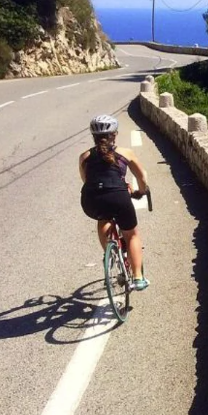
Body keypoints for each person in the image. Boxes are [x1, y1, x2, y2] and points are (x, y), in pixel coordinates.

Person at [79, 115, 150, 291]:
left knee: (103, 218)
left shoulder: (85, 156)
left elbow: (85, 180)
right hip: (118, 196)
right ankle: (138, 278)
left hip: (90, 199)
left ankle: (109, 253)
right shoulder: (125, 153)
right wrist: (140, 191)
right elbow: (142, 177)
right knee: (132, 235)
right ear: (115, 134)